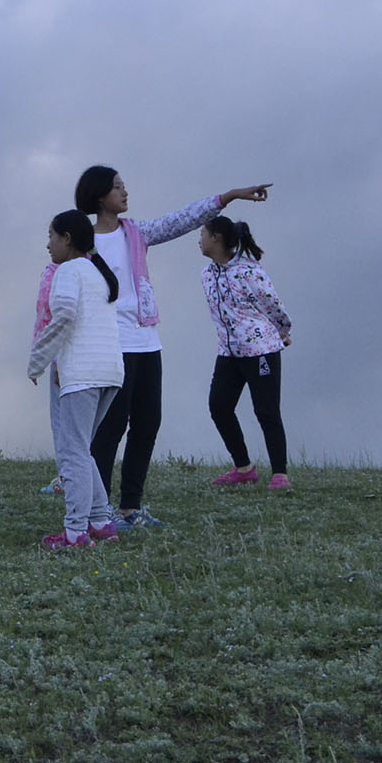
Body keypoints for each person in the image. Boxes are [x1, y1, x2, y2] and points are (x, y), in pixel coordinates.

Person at [75, 167, 272, 528]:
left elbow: (182, 220)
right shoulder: (83, 241)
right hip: (109, 343)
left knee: (148, 423)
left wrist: (228, 195)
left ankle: (130, 509)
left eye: (124, 185)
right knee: (111, 426)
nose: (125, 191)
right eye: (117, 187)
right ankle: (97, 514)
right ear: (100, 195)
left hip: (147, 341)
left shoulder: (135, 232)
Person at [28, 211, 126, 549]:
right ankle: (100, 522)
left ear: (67, 238)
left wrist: (38, 360)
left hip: (82, 375)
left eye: (52, 236)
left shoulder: (67, 271)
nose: (48, 244)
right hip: (110, 373)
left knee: (71, 452)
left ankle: (75, 533)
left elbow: (65, 314)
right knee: (82, 450)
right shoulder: (98, 273)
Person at [198, 217, 295, 489]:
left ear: (216, 237)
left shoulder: (249, 271)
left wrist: (282, 330)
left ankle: (280, 474)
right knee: (219, 406)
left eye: (203, 234)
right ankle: (243, 468)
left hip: (261, 350)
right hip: (229, 353)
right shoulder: (207, 274)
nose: (199, 240)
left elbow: (272, 303)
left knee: (266, 410)